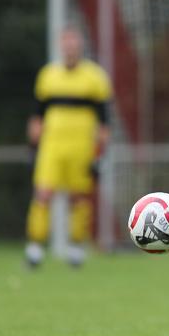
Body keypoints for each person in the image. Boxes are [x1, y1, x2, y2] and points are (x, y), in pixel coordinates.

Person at [25, 27, 112, 268]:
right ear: (61, 47)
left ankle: (75, 249)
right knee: (43, 194)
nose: (70, 48)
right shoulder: (48, 75)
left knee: (79, 198)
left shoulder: (95, 77)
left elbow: (104, 121)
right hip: (52, 146)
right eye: (67, 44)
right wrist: (32, 147)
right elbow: (37, 115)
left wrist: (100, 153)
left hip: (81, 146)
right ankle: (34, 249)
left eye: (74, 44)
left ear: (80, 47)